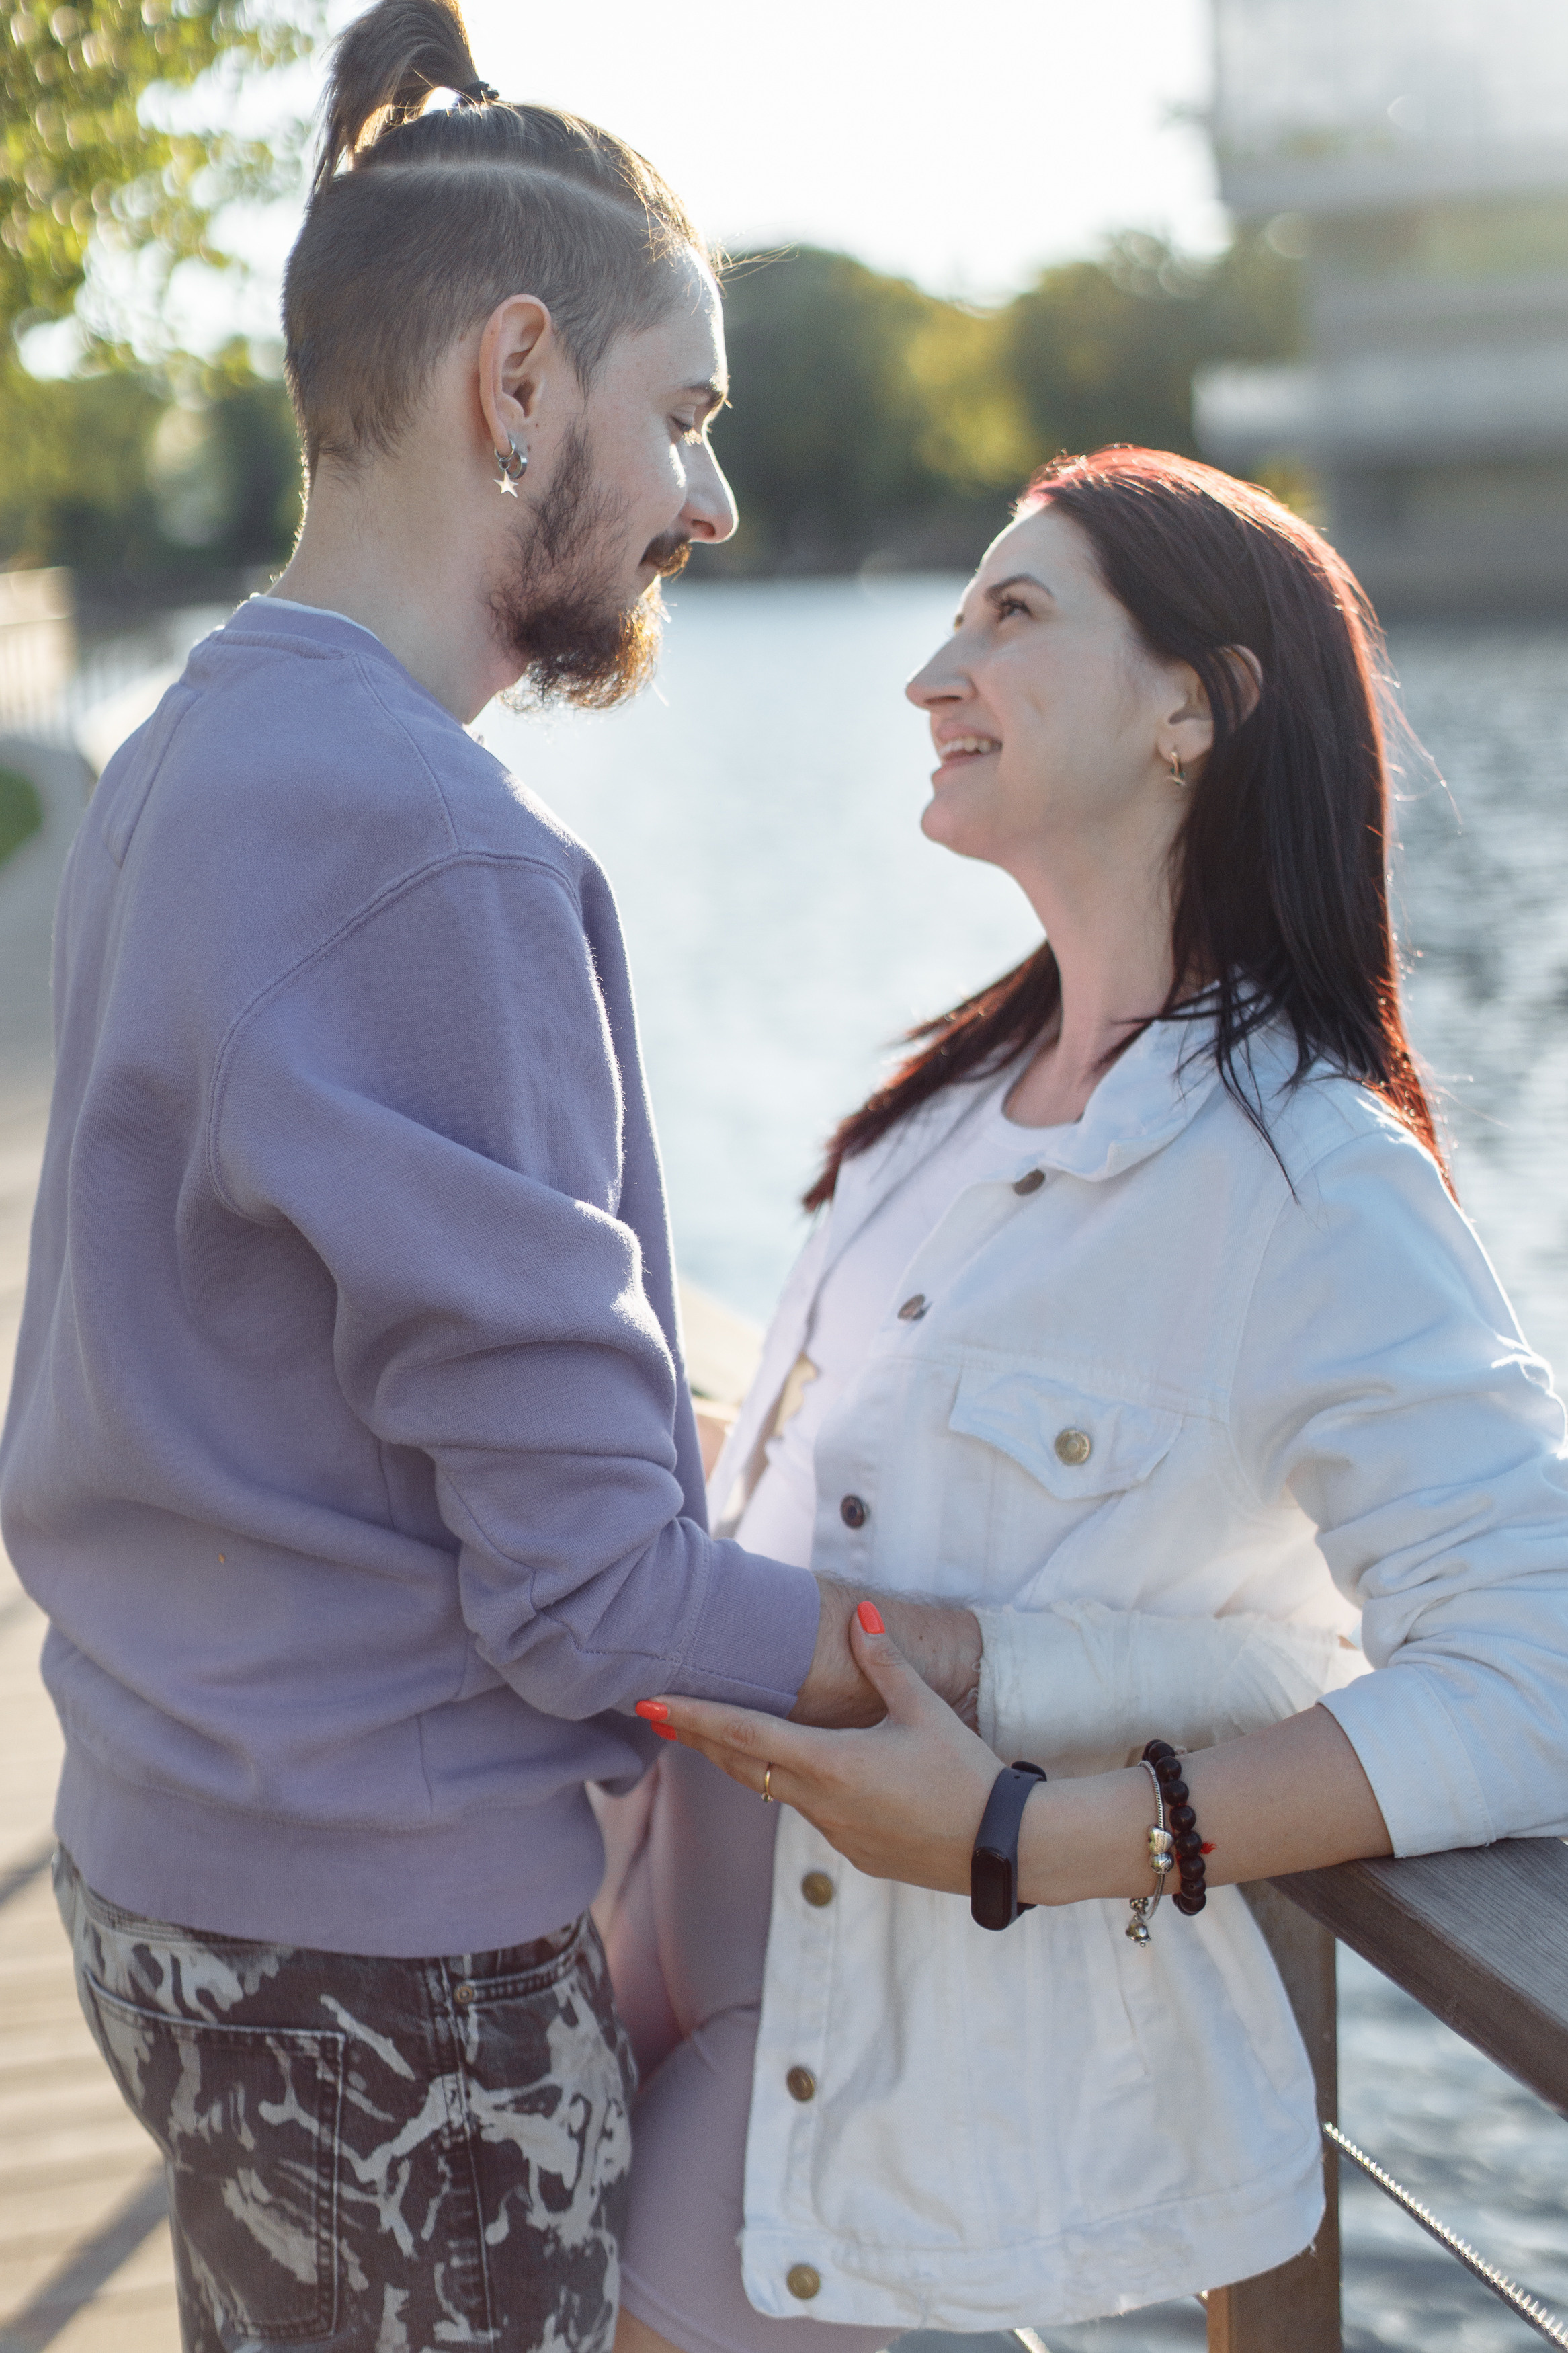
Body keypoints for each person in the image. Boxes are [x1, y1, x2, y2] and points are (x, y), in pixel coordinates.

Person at [0, 5, 981, 2348]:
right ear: (517, 377)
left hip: (165, 1866)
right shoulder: (432, 851)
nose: (711, 500)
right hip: (381, 1969)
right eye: (689, 413)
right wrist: (945, 1657)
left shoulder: (186, 749)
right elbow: (584, 1595)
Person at [608, 448, 1568, 2348]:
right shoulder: (946, 1106)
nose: (930, 669)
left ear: (1191, 712)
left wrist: (1036, 1834)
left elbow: (1536, 1668)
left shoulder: (1309, 1176)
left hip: (837, 2070)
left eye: (1012, 613)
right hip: (637, 1953)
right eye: (960, 610)